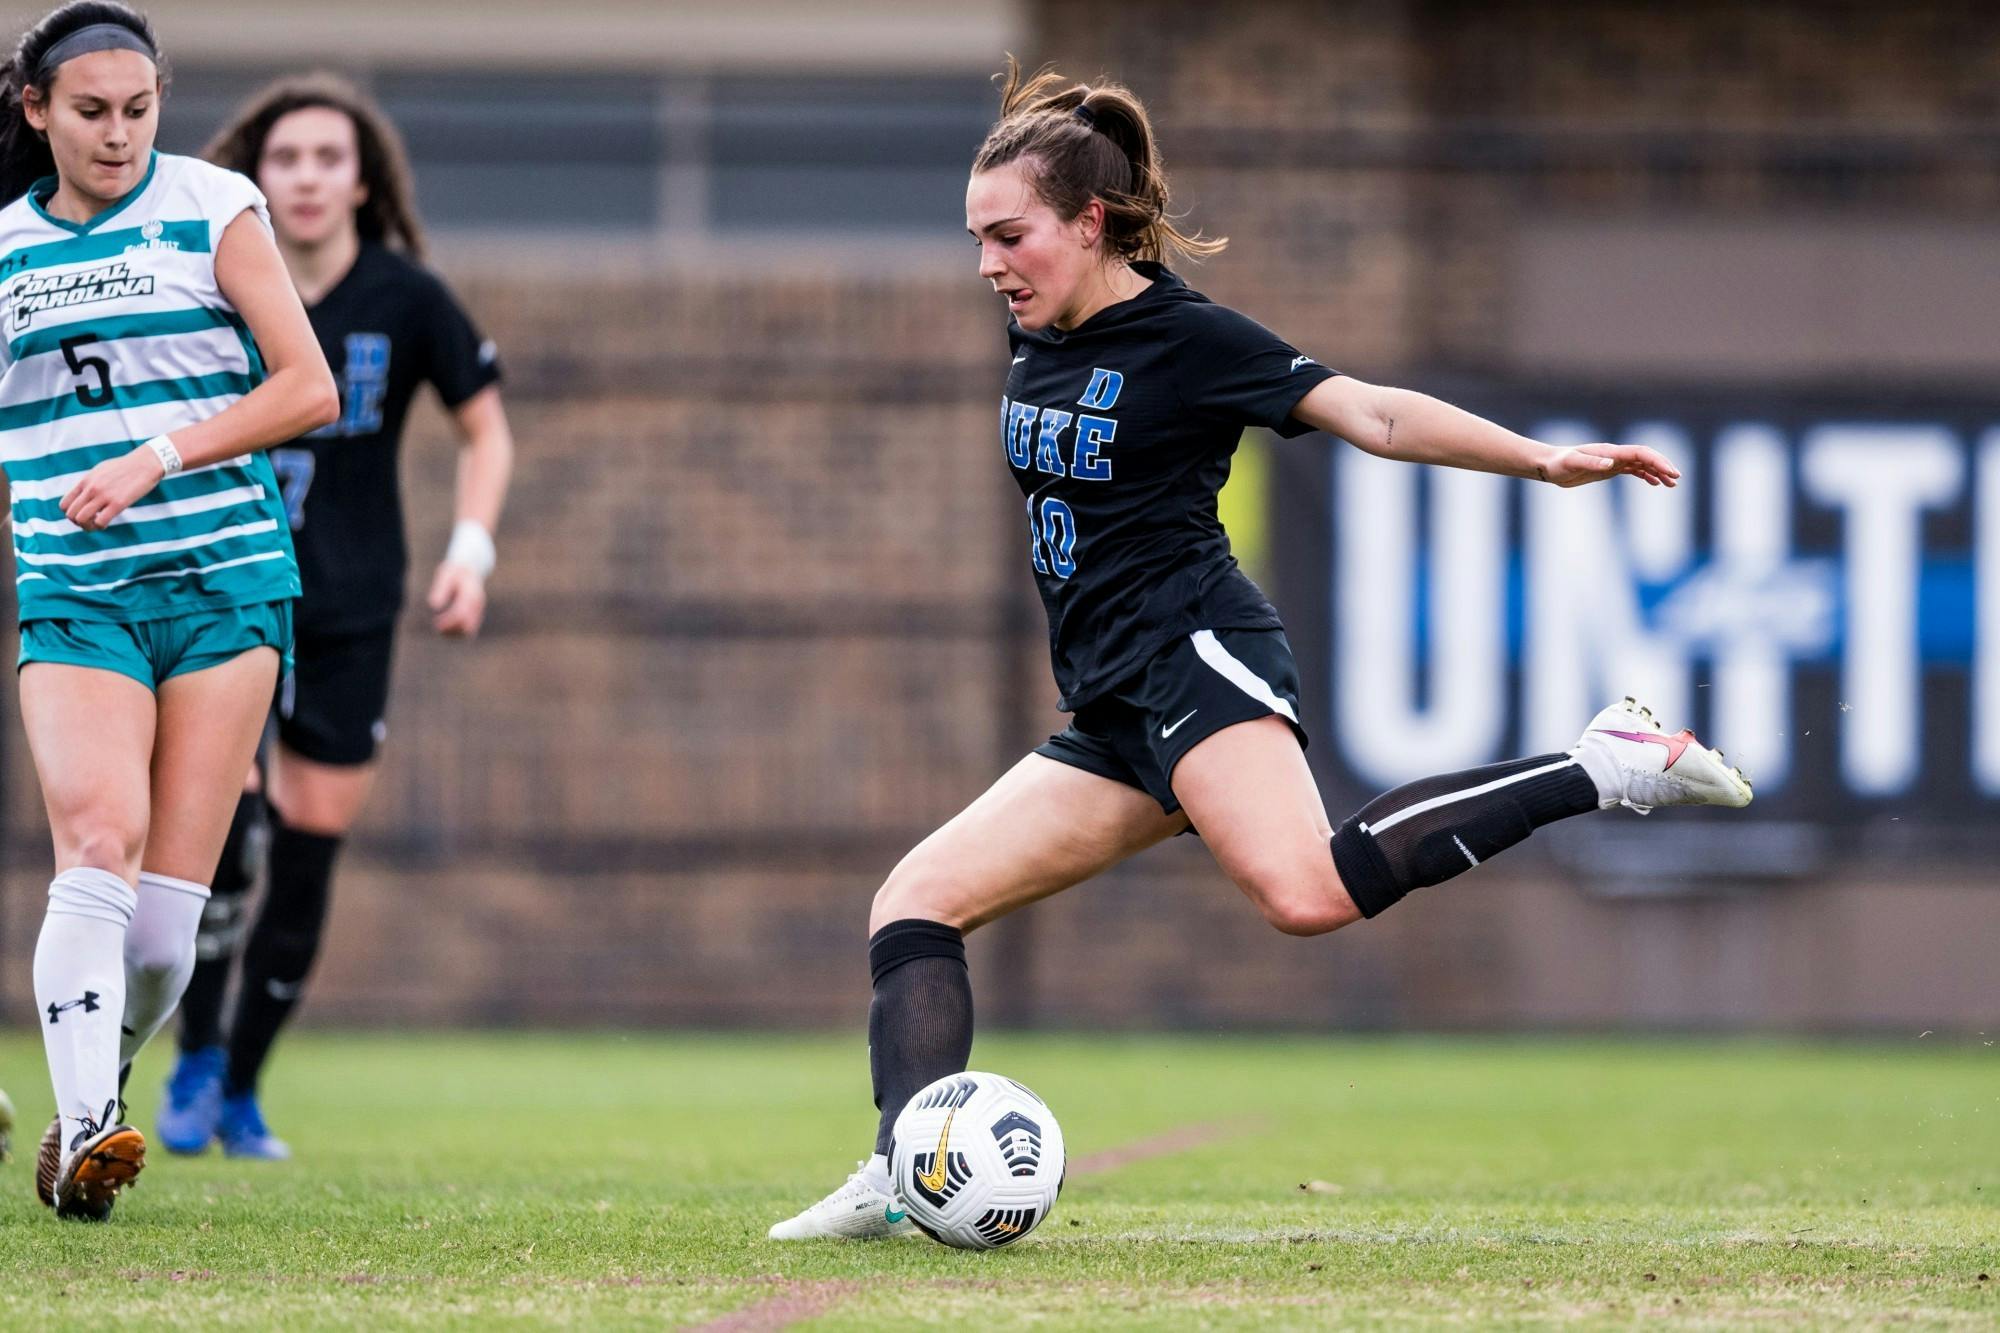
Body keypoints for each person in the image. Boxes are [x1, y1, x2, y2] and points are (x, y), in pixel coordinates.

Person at [768, 61, 1753, 1241]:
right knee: (914, 902)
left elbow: (1373, 413)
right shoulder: (1033, 319)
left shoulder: (1185, 337)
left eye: (1009, 234)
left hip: (1197, 657)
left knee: (1304, 891)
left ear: (1088, 224)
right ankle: (898, 1170)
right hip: (1111, 702)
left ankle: (1605, 760)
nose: (987, 262)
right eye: (976, 237)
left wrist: (1542, 460)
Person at [0, 1, 337, 1220]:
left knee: (158, 940)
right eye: (90, 113)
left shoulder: (212, 204)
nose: (119, 135)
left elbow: (306, 387)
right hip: (75, 596)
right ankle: (92, 1126)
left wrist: (161, 453)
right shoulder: (2, 247)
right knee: (96, 841)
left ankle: (98, 1080)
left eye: (138, 111)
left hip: (225, 585)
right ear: (35, 110)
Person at [152, 73, 513, 1159]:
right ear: (252, 177)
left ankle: (243, 1086)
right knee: (229, 833)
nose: (306, 177)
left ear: (362, 182)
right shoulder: (210, 282)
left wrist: (471, 551)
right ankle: (195, 1055)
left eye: (327, 158)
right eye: (287, 158)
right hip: (228, 589)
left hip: (353, 607)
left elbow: (486, 432)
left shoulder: (407, 297)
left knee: (308, 850)